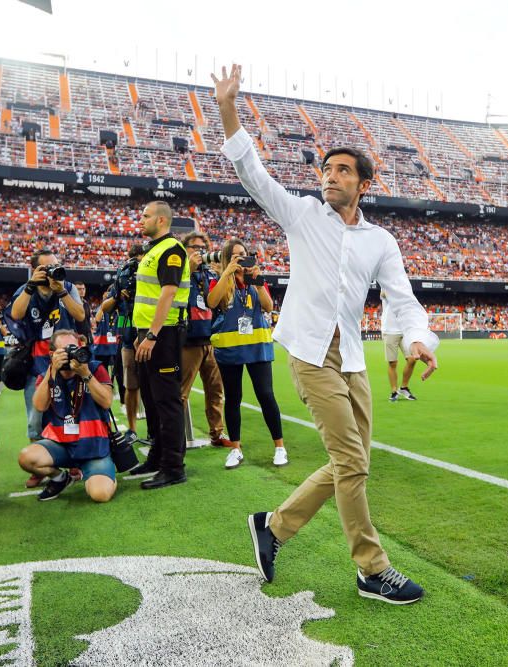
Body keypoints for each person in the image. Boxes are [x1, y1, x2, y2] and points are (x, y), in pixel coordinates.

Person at [214, 64, 438, 604]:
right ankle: (371, 568)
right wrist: (227, 109)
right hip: (311, 354)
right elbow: (254, 176)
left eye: (342, 171)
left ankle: (273, 527)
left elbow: (402, 298)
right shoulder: (303, 215)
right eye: (327, 169)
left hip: (353, 357)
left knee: (351, 459)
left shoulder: (380, 240)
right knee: (354, 462)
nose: (330, 176)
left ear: (364, 184)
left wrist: (418, 338)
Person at [207, 238, 287, 469]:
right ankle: (236, 449)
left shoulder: (255, 279)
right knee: (233, 399)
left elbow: (268, 306)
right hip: (230, 349)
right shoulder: (219, 279)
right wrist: (227, 273)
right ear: (227, 258)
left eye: (244, 254)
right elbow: (213, 302)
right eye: (236, 255)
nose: (242, 259)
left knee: (265, 395)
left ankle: (279, 446)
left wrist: (258, 281)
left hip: (257, 347)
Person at [127, 201, 190, 489]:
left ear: (162, 220)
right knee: (151, 400)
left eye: (146, 215)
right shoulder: (153, 250)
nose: (141, 220)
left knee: (166, 401)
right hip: (147, 334)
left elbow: (168, 293)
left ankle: (173, 466)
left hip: (162, 335)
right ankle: (157, 455)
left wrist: (152, 335)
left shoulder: (172, 250)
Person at [18, 330, 117, 502]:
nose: (70, 354)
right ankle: (60, 478)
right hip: (62, 446)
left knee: (100, 495)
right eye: (63, 350)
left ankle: (100, 474)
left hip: (94, 447)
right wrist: (52, 370)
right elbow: (39, 406)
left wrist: (86, 374)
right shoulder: (47, 375)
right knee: (26, 458)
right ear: (52, 354)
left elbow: (107, 401)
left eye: (74, 348)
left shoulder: (94, 368)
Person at [7, 248, 86, 449]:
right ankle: (43, 466)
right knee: (35, 418)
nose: (52, 270)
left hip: (68, 362)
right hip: (37, 364)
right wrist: (30, 286)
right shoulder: (26, 289)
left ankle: (73, 460)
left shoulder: (67, 287)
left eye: (55, 265)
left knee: (71, 414)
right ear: (34, 269)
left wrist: (61, 291)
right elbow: (16, 314)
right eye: (47, 267)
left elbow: (80, 315)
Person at [180, 231, 229, 449]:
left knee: (216, 391)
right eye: (194, 247)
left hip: (211, 340)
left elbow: (222, 304)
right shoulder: (178, 271)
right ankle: (176, 437)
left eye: (203, 247)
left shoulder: (209, 275)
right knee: (180, 393)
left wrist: (222, 276)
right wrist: (188, 268)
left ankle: (217, 433)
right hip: (187, 341)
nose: (199, 252)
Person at [100, 245, 146, 444]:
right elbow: (106, 307)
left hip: (151, 334)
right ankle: (132, 428)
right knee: (131, 385)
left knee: (153, 386)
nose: (137, 265)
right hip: (129, 337)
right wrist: (118, 295)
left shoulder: (154, 277)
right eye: (135, 260)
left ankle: (155, 428)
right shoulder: (123, 280)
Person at [380, 289, 418, 402]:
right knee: (393, 362)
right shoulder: (387, 285)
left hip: (404, 329)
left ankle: (404, 387)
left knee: (412, 359)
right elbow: (383, 294)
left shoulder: (404, 285)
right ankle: (393, 391)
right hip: (390, 330)